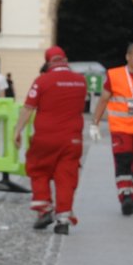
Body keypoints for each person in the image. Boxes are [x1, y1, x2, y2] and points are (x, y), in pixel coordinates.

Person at [16, 46, 88, 234]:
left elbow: (28, 108)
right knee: (66, 176)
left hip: (45, 137)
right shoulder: (81, 81)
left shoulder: (42, 81)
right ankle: (63, 219)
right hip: (73, 139)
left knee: (38, 169)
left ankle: (44, 208)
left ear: (48, 62)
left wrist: (17, 131)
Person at [90, 42, 133, 215]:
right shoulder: (114, 75)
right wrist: (95, 122)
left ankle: (130, 200)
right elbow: (103, 100)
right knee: (123, 161)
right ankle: (125, 196)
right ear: (128, 57)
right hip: (121, 128)